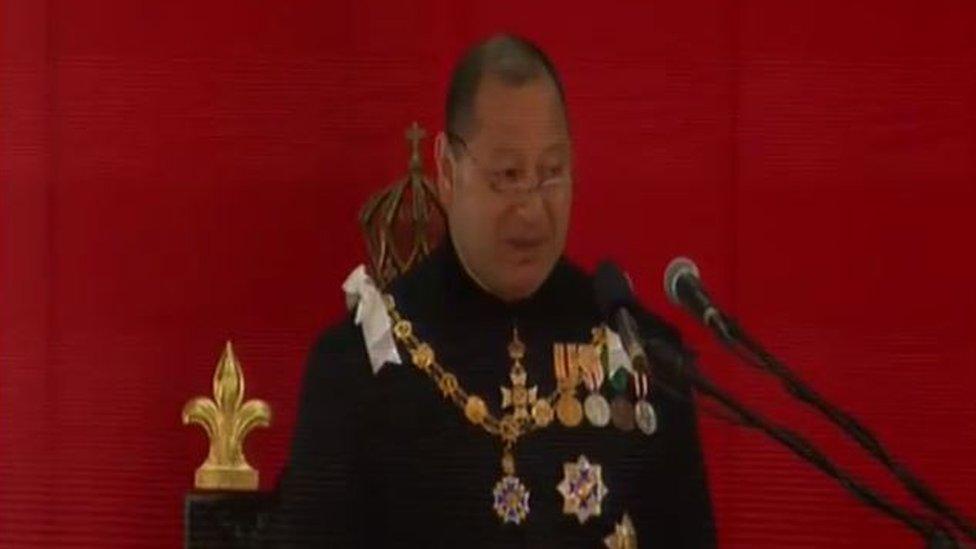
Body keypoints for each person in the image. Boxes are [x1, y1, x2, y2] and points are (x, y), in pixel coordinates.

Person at [268, 34, 715, 548]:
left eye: (551, 173)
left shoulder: (642, 356)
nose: (531, 209)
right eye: (507, 175)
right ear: (448, 170)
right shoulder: (355, 366)